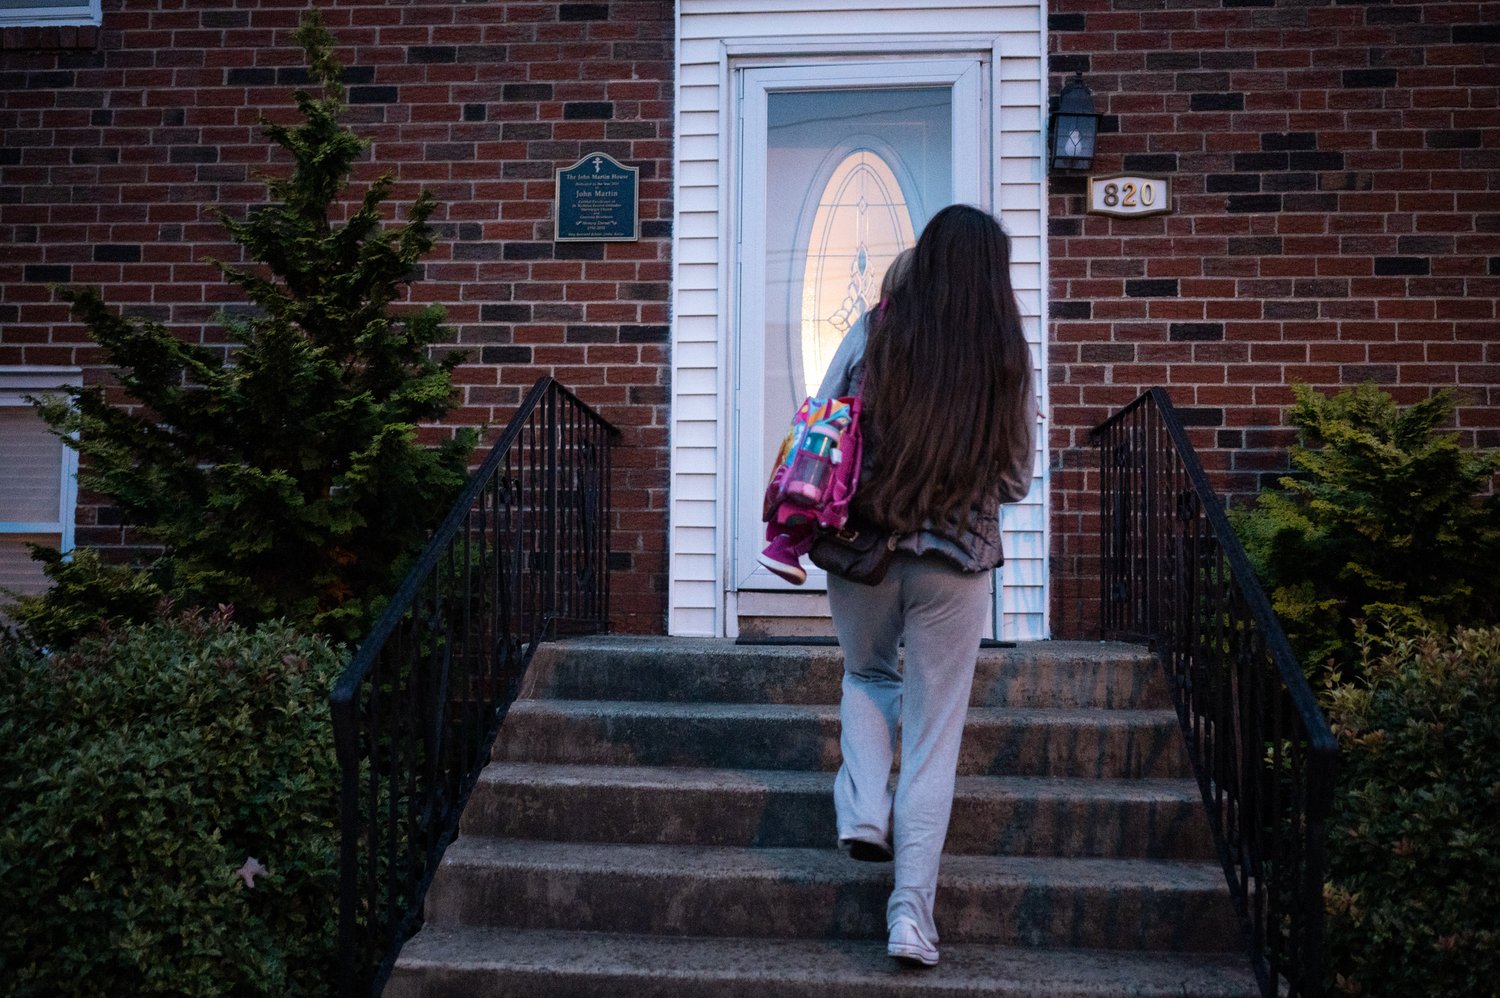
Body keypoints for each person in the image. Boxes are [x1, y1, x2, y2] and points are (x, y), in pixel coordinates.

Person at [814, 205, 1036, 967]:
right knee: (935, 740)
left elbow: (823, 419)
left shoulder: (877, 330)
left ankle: (865, 810)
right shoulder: (1004, 356)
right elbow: (1016, 476)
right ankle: (910, 919)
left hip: (864, 545)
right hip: (956, 556)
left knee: (868, 675)